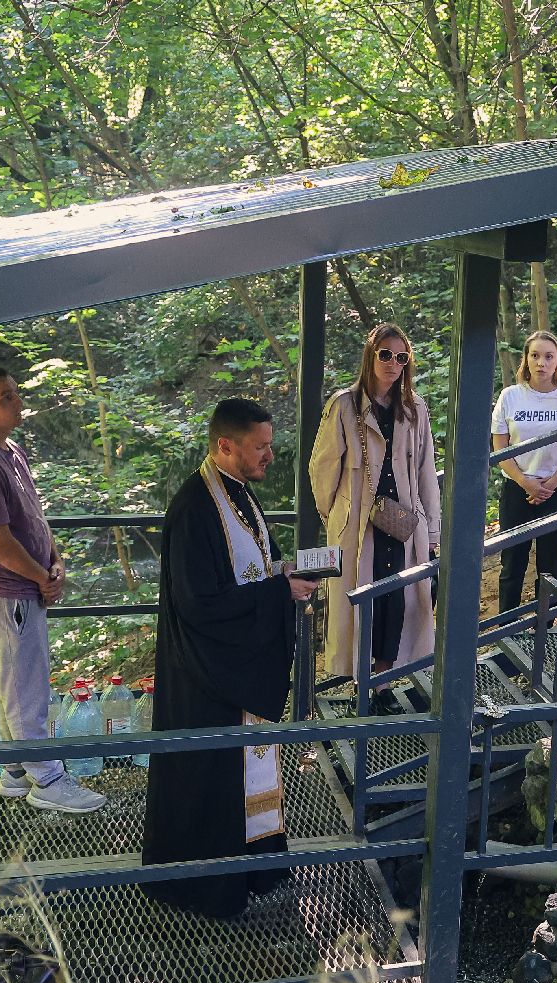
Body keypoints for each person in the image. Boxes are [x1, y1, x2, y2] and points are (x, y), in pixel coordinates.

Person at [143, 398, 319, 919]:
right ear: (226, 445)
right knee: (211, 780)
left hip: (235, 662)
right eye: (260, 447)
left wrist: (283, 574)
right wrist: (279, 593)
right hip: (206, 674)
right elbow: (199, 603)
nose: (270, 455)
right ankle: (205, 889)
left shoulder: (238, 491)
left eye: (269, 445)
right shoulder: (193, 508)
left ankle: (254, 869)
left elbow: (253, 565)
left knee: (244, 771)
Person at [0, 363, 107, 814]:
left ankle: (16, 770)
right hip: (7, 594)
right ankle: (47, 780)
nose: (19, 403)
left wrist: (54, 560)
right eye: (6, 398)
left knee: (17, 682)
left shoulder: (9, 449)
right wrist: (41, 577)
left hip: (25, 586)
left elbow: (33, 515)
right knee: (25, 689)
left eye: (16, 393)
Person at [308, 323, 442, 685]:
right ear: (371, 356)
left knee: (397, 602)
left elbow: (426, 472)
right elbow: (322, 468)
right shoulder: (344, 405)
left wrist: (432, 530)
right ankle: (361, 684)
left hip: (402, 523)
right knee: (359, 600)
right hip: (358, 523)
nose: (393, 363)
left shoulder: (414, 408)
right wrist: (336, 515)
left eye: (401, 357)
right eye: (385, 354)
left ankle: (381, 684)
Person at [491, 330, 557, 613]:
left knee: (550, 566)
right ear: (525, 359)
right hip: (517, 490)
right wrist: (526, 482)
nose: (541, 363)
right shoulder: (510, 396)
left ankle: (544, 628)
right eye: (535, 355)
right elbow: (500, 449)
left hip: (555, 490)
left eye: (549, 357)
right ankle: (506, 630)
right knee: (512, 564)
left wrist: (550, 485)